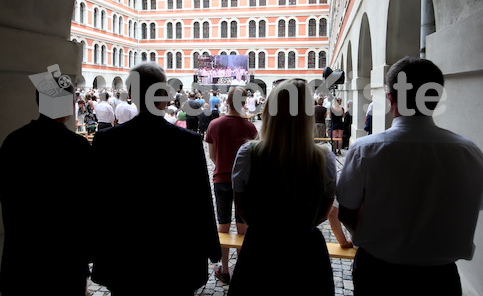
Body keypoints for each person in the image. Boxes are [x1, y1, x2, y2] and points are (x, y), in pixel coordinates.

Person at [337, 56, 483, 296]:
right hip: (440, 278)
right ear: (436, 97)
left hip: (379, 272)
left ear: (391, 99)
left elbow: (346, 210)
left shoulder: (365, 150)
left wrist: (372, 235)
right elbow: (478, 203)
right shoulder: (469, 152)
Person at [90, 62, 221, 295]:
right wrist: (212, 247)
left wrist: (93, 249)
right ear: (164, 96)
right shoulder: (187, 141)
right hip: (176, 256)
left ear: (131, 95)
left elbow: (97, 199)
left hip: (124, 257)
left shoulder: (107, 140)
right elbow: (200, 198)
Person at [230, 79, 337, 295]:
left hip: (261, 248)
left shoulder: (247, 154)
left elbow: (242, 208)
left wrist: (266, 226)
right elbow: (324, 211)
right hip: (306, 251)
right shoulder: (324, 158)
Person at [0, 82, 91, 296]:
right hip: (65, 262)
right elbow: (88, 206)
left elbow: (3, 195)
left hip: (21, 258)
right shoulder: (78, 148)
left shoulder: (13, 142)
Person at [204, 87, 258, 284]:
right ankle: (241, 270)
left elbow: (212, 155)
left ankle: (225, 269)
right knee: (242, 226)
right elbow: (254, 157)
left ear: (226, 101)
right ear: (244, 103)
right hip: (244, 182)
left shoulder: (214, 125)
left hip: (221, 179)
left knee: (223, 225)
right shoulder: (250, 128)